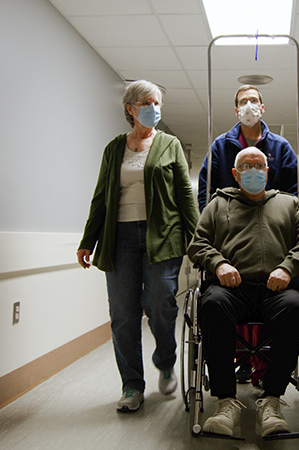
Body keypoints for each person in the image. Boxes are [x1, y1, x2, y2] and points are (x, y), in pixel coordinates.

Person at [77, 80, 199, 413]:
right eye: (146, 102)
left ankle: (165, 360)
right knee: (123, 315)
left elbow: (185, 196)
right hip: (119, 238)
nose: (154, 108)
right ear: (130, 108)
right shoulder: (114, 148)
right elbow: (101, 196)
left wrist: (199, 240)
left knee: (161, 302)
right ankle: (132, 385)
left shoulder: (170, 144)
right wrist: (88, 240)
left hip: (163, 235)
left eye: (157, 102)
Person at [188, 147, 299, 437]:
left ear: (268, 171)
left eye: (259, 165)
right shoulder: (218, 205)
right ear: (235, 174)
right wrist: (218, 263)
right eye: (246, 166)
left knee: (296, 308)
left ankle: (271, 400)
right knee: (212, 305)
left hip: (278, 288)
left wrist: (287, 267)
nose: (253, 170)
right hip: (231, 290)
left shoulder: (289, 204)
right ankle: (225, 403)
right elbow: (197, 244)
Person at [197, 84, 299, 385]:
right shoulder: (221, 146)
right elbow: (205, 197)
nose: (248, 105)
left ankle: (268, 380)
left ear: (263, 106)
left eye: (254, 100)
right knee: (220, 301)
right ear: (235, 110)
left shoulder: (281, 148)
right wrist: (219, 232)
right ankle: (230, 385)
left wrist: (288, 244)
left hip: (274, 245)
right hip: (230, 249)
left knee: (290, 305)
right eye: (242, 101)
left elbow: (298, 197)